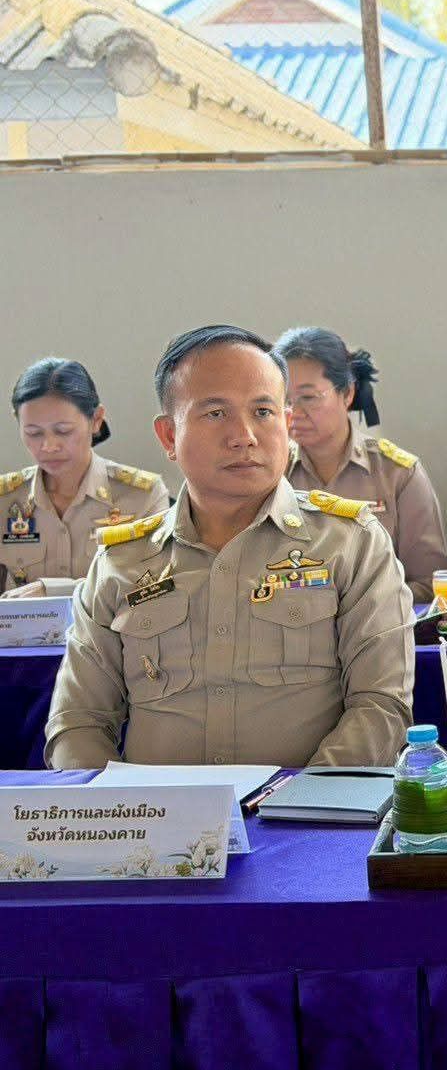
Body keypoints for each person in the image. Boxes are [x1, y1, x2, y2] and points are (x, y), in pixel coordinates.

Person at [44, 325, 414, 769]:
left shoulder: (350, 542)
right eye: (216, 413)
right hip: (155, 813)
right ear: (168, 437)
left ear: (286, 424)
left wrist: (297, 800)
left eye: (263, 411)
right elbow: (78, 722)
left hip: (307, 809)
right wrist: (116, 805)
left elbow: (380, 706)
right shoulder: (121, 562)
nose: (244, 436)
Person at [275, 327, 447, 603]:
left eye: (308, 397)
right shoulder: (271, 473)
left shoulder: (396, 473)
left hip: (380, 622)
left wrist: (354, 604)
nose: (294, 412)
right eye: (284, 400)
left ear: (347, 393)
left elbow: (431, 583)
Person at [1, 358, 169, 594]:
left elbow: (154, 585)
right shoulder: (5, 499)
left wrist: (52, 591)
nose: (49, 446)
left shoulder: (142, 495)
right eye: (34, 433)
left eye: (63, 431)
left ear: (96, 420)